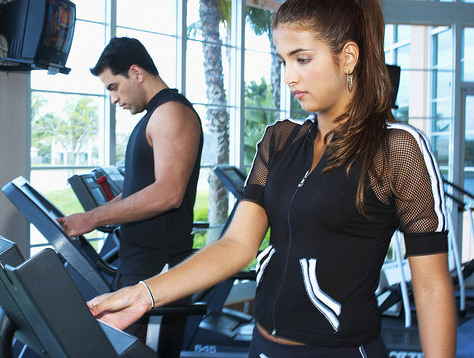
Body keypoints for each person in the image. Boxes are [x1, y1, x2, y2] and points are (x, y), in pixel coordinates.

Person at [86, 1, 457, 357]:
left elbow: (430, 286)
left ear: (348, 57)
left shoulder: (397, 149)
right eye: (283, 60)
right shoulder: (279, 140)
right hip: (263, 347)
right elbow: (236, 245)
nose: (289, 76)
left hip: (340, 351)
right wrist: (142, 294)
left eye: (302, 58)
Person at [57, 37, 203, 355]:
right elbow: (138, 190)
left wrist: (93, 218)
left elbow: (169, 193)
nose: (113, 99)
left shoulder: (171, 113)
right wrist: (89, 217)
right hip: (139, 264)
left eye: (113, 87)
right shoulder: (153, 117)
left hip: (158, 270)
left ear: (136, 73)